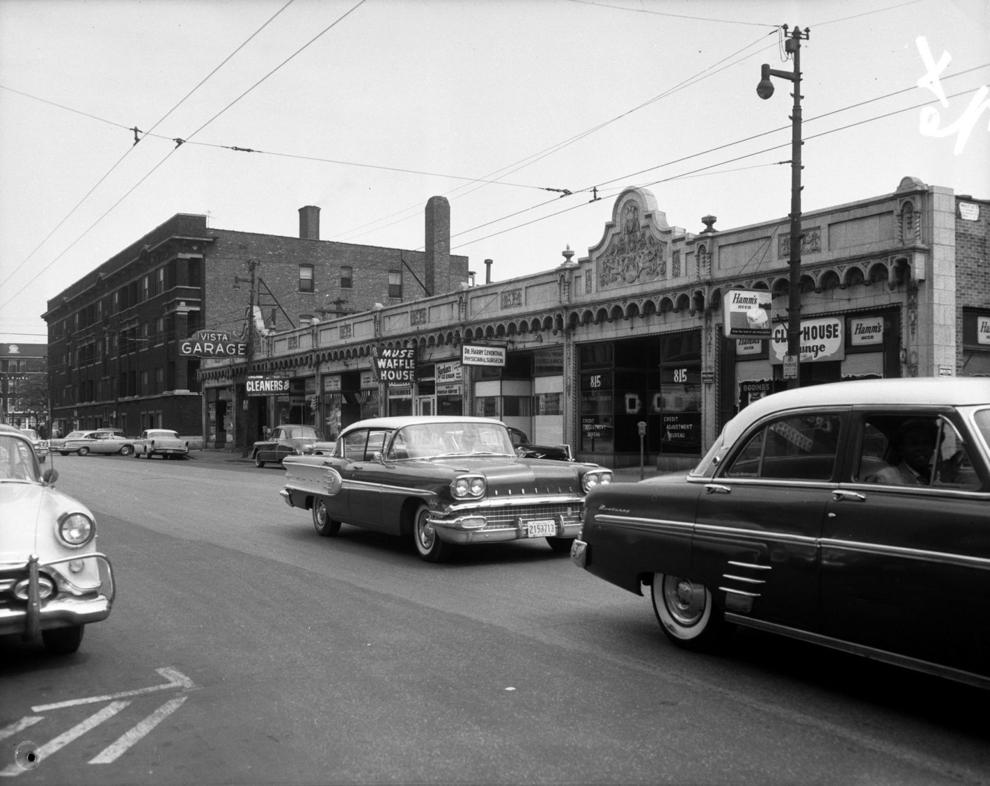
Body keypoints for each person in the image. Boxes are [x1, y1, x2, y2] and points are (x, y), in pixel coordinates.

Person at [869, 418, 937, 486]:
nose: (921, 448)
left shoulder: (935, 475)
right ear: (901, 448)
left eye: (926, 443)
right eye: (914, 444)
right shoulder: (886, 478)